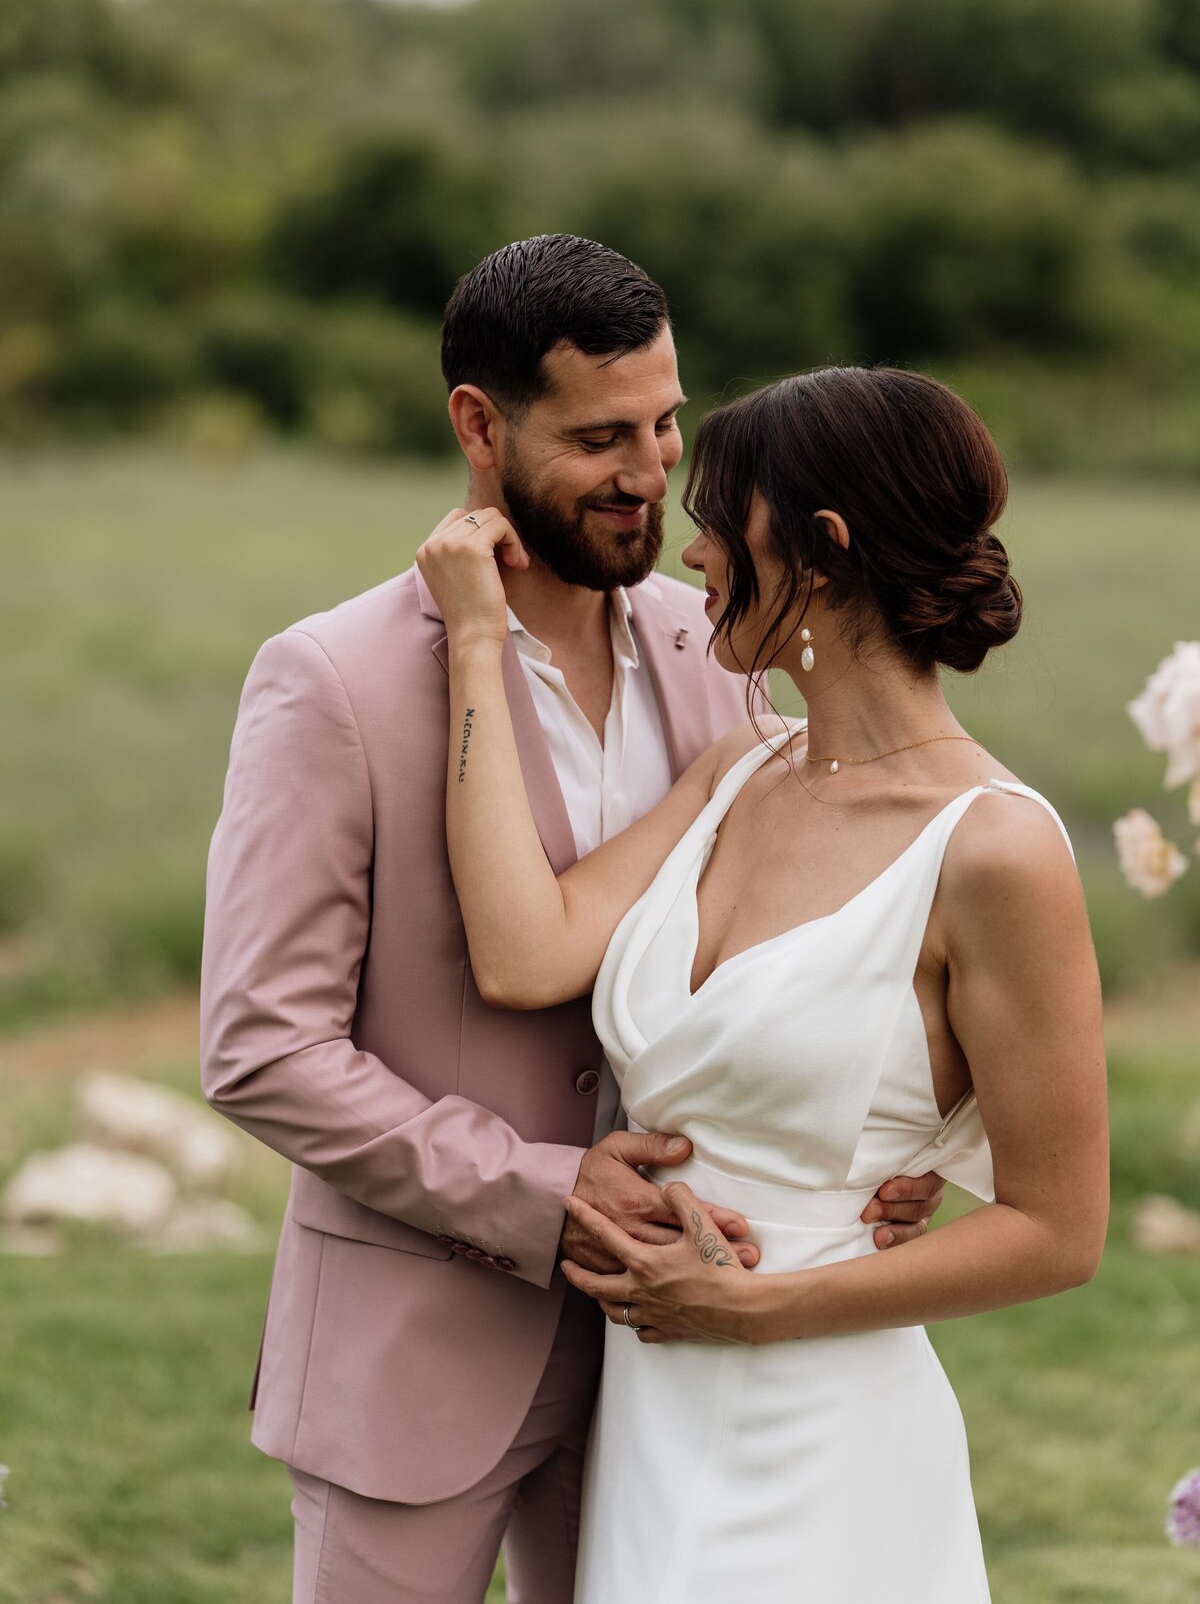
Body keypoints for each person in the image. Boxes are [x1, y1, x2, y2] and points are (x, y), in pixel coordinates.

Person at [200, 236, 943, 1604]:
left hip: (674, 1367)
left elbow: (796, 928)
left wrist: (892, 1139)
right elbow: (260, 1046)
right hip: (411, 1357)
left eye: (666, 424)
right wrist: (543, 1192)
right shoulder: (332, 681)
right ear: (479, 427)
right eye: (602, 438)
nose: (653, 473)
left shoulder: (720, 649)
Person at [416, 363, 1110, 1603]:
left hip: (823, 1427)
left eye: (717, 525)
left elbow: (1060, 1233)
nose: (690, 559)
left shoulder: (996, 848)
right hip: (654, 1413)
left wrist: (755, 1311)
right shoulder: (741, 768)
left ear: (823, 550)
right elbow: (522, 953)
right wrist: (480, 639)